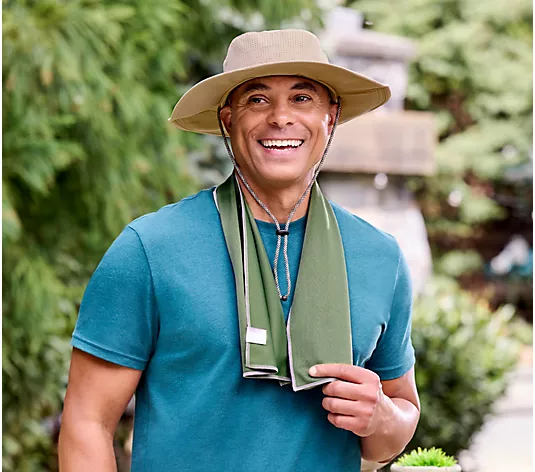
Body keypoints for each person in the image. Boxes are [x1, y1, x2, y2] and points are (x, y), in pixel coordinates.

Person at [58, 29, 420, 472]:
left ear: (331, 116)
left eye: (302, 98)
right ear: (228, 121)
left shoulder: (379, 257)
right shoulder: (150, 249)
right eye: (258, 99)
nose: (281, 117)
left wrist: (382, 417)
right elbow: (87, 422)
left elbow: (397, 421)